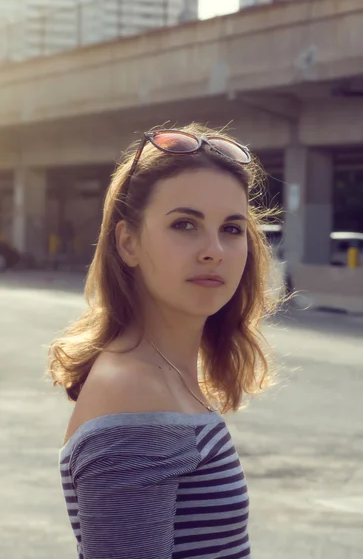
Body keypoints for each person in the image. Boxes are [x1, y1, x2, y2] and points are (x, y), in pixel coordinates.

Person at [48, 123, 279, 559]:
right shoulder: (133, 392)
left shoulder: (160, 374)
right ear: (128, 242)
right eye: (185, 224)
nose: (213, 249)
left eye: (231, 229)